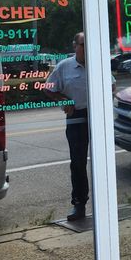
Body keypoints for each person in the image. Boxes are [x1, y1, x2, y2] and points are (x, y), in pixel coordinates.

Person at [46, 32, 90, 221]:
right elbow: (49, 89)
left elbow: (112, 85)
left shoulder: (98, 62)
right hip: (77, 118)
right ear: (75, 46)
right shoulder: (64, 67)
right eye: (82, 44)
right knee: (78, 163)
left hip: (97, 117)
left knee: (103, 161)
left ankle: (107, 202)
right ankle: (79, 204)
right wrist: (64, 99)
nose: (86, 48)